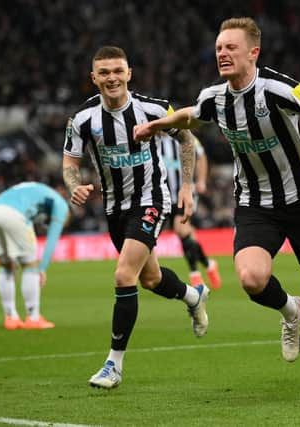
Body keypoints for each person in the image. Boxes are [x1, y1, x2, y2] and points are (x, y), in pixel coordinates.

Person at [133, 17, 300, 401]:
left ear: (253, 52)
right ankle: (289, 310)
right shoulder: (215, 98)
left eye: (230, 47)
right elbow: (190, 115)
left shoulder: (278, 89)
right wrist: (158, 125)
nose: (222, 54)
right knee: (250, 278)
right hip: (255, 203)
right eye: (218, 48)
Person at [62, 46, 210, 390]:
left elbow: (187, 139)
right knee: (151, 278)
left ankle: (113, 365)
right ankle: (193, 296)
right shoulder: (82, 119)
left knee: (123, 275)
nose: (112, 78)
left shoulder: (154, 109)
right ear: (94, 78)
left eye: (118, 71)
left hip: (152, 199)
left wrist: (186, 187)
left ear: (129, 73)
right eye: (104, 72)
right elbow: (70, 163)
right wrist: (73, 186)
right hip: (115, 208)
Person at [0, 182, 69, 330]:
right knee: (30, 265)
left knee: (6, 266)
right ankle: (33, 318)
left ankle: (11, 317)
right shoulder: (62, 206)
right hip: (13, 215)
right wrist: (42, 268)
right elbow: (52, 239)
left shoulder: (36, 188)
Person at [157, 132, 222, 289]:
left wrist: (200, 181)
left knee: (182, 230)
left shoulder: (184, 135)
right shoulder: (153, 138)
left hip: (184, 193)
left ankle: (195, 275)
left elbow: (201, 156)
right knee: (187, 235)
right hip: (163, 195)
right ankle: (208, 264)